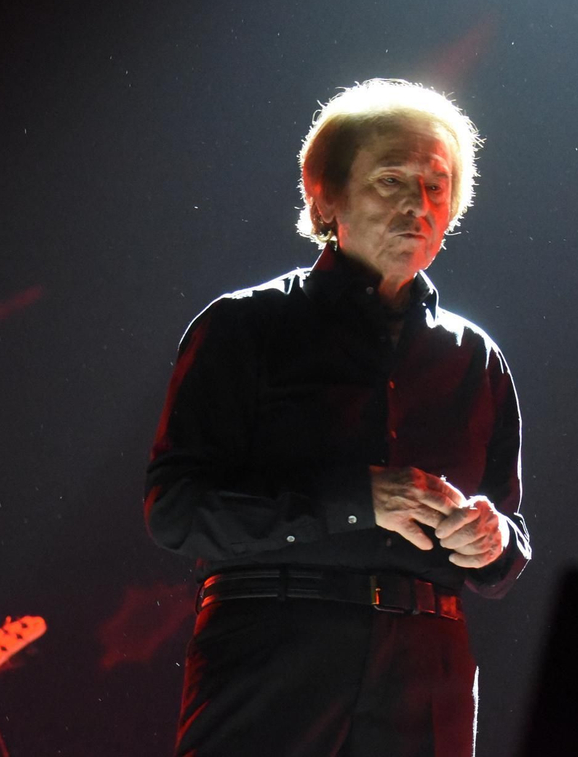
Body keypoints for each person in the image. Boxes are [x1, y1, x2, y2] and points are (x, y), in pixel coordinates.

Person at [145, 78, 530, 757]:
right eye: (391, 179)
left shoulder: (478, 358)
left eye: (437, 185)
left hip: (427, 670)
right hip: (274, 654)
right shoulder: (244, 327)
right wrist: (356, 501)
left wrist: (493, 540)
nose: (418, 203)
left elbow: (509, 535)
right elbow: (176, 509)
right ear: (325, 196)